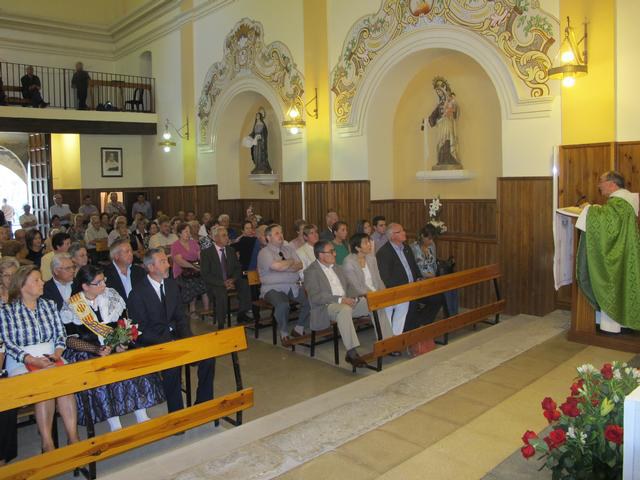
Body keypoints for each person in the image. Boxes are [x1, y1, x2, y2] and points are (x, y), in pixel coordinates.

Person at [63, 265, 164, 431]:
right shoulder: (73, 305)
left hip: (114, 345)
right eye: (98, 282)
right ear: (85, 286)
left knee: (132, 362)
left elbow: (124, 324)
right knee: (102, 372)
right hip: (89, 350)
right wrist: (96, 350)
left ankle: (141, 411)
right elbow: (70, 340)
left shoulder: (112, 296)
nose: (104, 284)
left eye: (104, 280)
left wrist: (121, 343)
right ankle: (114, 421)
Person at [0, 265, 79, 451]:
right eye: (36, 280)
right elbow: (8, 343)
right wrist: (31, 360)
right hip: (21, 360)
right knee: (43, 386)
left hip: (51, 356)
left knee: (66, 386)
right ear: (22, 285)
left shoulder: (49, 305)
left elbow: (60, 334)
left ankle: (73, 437)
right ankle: (47, 442)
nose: (42, 282)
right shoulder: (7, 310)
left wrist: (57, 354)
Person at [126, 249, 215, 413]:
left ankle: (203, 405)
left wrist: (188, 338)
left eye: (167, 261)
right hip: (154, 342)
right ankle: (177, 413)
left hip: (176, 336)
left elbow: (181, 317)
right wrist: (167, 342)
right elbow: (140, 330)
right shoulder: (137, 293)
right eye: (163, 262)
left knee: (208, 356)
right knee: (172, 367)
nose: (168, 265)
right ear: (151, 267)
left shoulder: (172, 285)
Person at [576, 170, 640, 333]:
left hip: (618, 256)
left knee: (612, 282)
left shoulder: (619, 203)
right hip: (625, 253)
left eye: (601, 181)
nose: (599, 185)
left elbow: (608, 223)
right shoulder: (624, 201)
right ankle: (623, 323)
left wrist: (588, 209)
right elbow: (611, 221)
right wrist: (596, 209)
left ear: (612, 184)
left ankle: (613, 326)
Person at [304, 240, 372, 367]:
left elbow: (350, 287)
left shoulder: (338, 267)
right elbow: (316, 297)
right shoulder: (311, 272)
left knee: (373, 302)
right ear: (321, 255)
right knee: (344, 309)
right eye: (331, 252)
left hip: (346, 302)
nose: (335, 254)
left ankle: (386, 340)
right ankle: (352, 353)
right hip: (326, 307)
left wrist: (355, 297)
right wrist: (341, 300)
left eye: (334, 251)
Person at [376, 223, 443, 336]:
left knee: (437, 297)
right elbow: (386, 279)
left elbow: (414, 268)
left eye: (403, 230)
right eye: (400, 231)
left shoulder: (406, 248)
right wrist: (406, 286)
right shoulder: (384, 253)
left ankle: (421, 325)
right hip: (400, 290)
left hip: (414, 286)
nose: (404, 233)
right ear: (392, 236)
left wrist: (419, 278)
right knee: (411, 303)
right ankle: (408, 333)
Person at [257, 224, 309, 346]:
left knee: (311, 299)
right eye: (277, 233)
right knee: (283, 305)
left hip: (292, 286)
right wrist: (290, 262)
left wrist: (283, 266)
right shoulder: (264, 252)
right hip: (272, 288)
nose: (280, 235)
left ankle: (299, 328)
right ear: (268, 237)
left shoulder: (289, 249)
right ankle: (284, 333)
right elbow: (277, 266)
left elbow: (300, 265)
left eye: (281, 232)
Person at [343, 233, 394, 340]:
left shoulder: (371, 259)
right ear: (357, 248)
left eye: (368, 242)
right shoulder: (349, 262)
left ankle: (390, 338)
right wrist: (375, 295)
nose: (369, 244)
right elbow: (357, 288)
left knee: (397, 301)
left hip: (375, 295)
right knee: (377, 305)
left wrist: (385, 293)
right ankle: (386, 341)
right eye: (366, 243)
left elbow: (379, 280)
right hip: (357, 299)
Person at [201, 226, 253, 329]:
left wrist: (233, 279)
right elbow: (205, 274)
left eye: (227, 235)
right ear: (216, 238)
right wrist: (223, 283)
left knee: (244, 284)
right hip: (215, 282)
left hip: (230, 279)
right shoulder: (206, 253)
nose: (227, 238)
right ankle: (221, 323)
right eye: (224, 235)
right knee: (220, 293)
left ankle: (241, 314)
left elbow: (238, 268)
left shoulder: (230, 250)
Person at [0, 258, 19, 464]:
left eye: (14, 275)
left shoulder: (22, 297)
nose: (11, 279)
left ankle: (4, 455)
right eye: (6, 275)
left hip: (16, 353)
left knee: (7, 395)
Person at [170, 223, 209, 317]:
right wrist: (193, 267)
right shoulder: (175, 245)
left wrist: (201, 266)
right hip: (181, 272)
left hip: (195, 270)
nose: (188, 234)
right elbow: (180, 261)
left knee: (205, 281)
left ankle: (207, 310)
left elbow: (200, 256)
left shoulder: (193, 243)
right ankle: (192, 310)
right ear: (179, 233)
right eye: (186, 231)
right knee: (192, 283)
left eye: (189, 231)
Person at [426, 76, 461, 168]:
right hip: (441, 125)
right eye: (437, 92)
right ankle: (441, 160)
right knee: (440, 141)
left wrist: (451, 110)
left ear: (443, 90)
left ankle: (450, 159)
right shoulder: (440, 104)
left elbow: (455, 112)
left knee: (447, 139)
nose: (439, 93)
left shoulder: (450, 101)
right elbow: (434, 114)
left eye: (440, 91)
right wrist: (429, 120)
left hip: (447, 123)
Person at [246, 108, 272, 174]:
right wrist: (250, 136)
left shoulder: (262, 124)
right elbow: (253, 132)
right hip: (255, 142)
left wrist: (260, 137)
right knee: (255, 154)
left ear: (260, 116)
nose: (257, 116)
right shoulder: (255, 124)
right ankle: (257, 166)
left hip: (260, 142)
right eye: (256, 116)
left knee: (260, 153)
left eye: (258, 115)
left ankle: (261, 166)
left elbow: (265, 133)